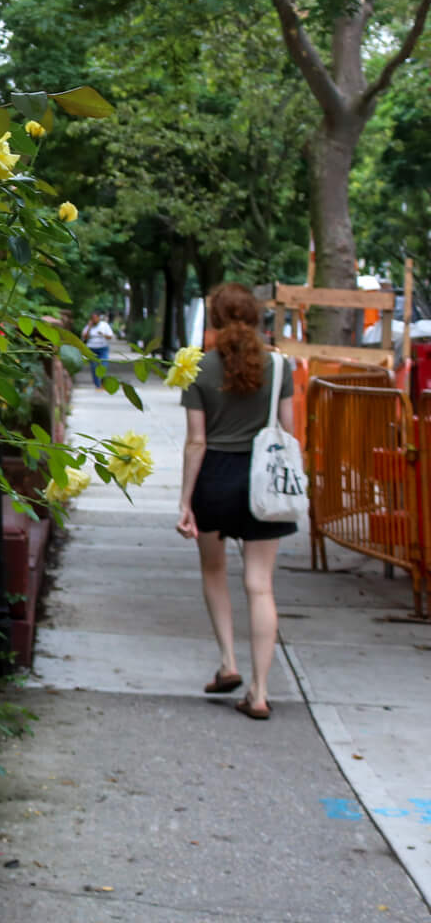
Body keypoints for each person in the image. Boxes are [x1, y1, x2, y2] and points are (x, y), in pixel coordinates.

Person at [175, 282, 296, 719]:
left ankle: (228, 662)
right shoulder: (281, 367)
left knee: (214, 570)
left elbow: (195, 442)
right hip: (265, 480)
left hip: (215, 480)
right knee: (260, 584)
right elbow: (288, 431)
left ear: (215, 321)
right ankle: (260, 693)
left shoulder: (198, 370)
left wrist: (185, 501)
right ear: (258, 319)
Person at [83, 310, 115, 380]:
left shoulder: (104, 325)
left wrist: (103, 334)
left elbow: (110, 337)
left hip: (103, 348)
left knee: (103, 365)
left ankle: (102, 381)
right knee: (94, 366)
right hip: (91, 349)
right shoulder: (89, 326)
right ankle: (98, 384)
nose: (94, 319)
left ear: (98, 318)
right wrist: (89, 327)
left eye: (95, 318)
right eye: (92, 318)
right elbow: (84, 337)